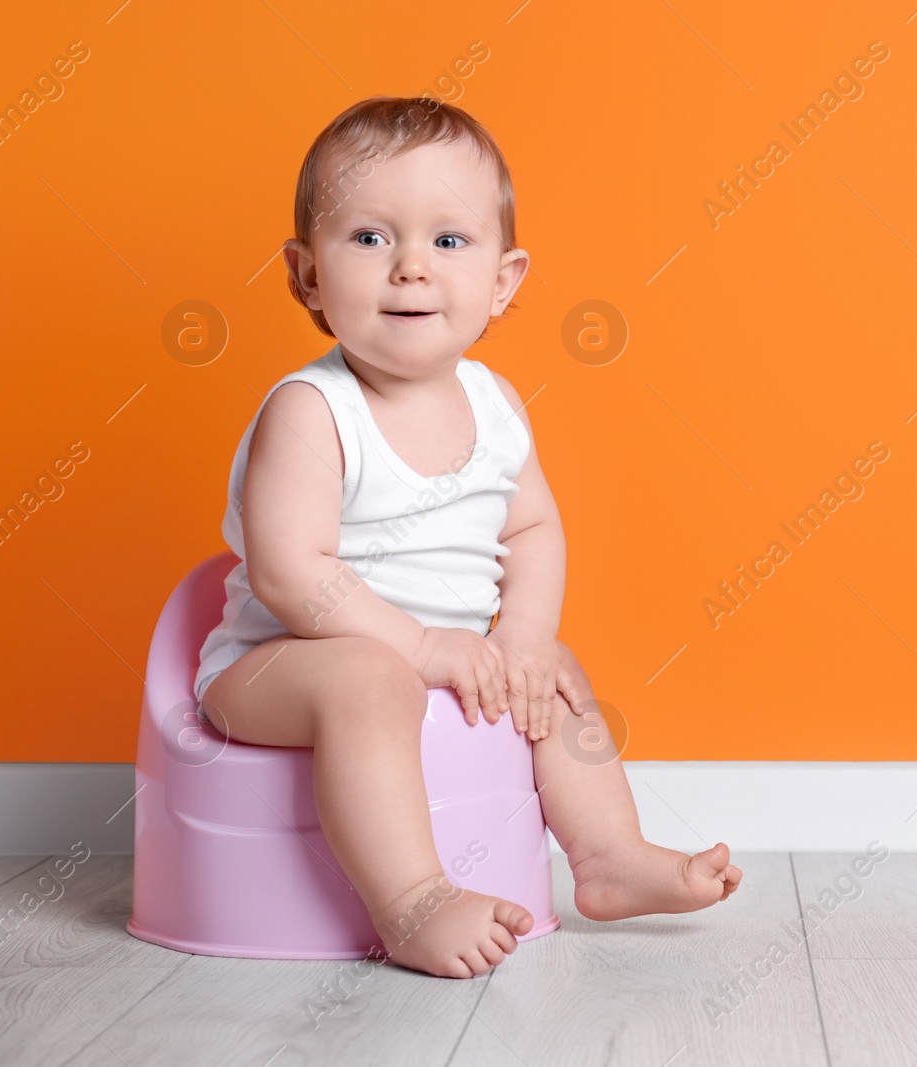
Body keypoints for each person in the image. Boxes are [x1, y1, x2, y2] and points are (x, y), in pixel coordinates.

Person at [194, 96, 741, 979]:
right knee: (369, 678)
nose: (411, 269)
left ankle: (607, 856)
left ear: (503, 281)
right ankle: (411, 899)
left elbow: (531, 527)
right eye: (370, 238)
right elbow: (292, 575)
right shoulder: (311, 411)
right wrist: (418, 646)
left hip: (444, 653)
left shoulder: (494, 405)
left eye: (448, 242)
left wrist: (520, 633)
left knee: (554, 672)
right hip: (283, 663)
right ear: (305, 277)